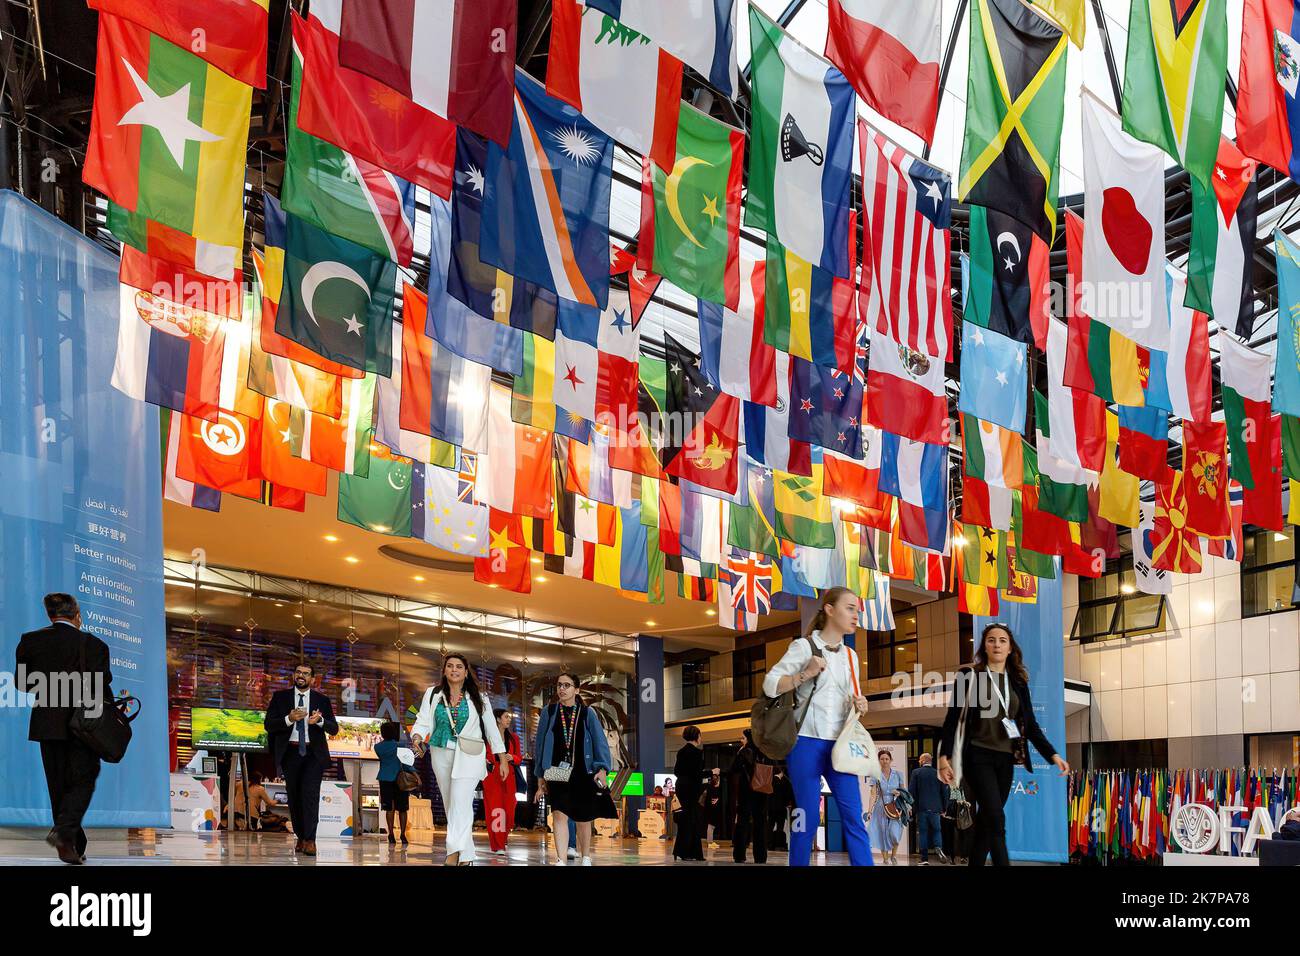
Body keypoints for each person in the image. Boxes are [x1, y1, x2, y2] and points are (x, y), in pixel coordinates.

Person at [938, 622, 1070, 867]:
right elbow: (952, 720)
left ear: (1010, 648)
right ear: (984, 646)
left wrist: (1052, 754)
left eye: (1002, 640)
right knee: (997, 819)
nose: (996, 644)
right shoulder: (969, 676)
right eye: (991, 640)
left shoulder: (1018, 681)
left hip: (1005, 758)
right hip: (977, 756)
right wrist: (944, 757)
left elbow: (1029, 725)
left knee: (988, 821)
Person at [762, 587, 872, 866]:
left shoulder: (850, 656)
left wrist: (859, 704)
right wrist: (804, 674)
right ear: (829, 609)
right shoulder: (803, 647)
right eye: (850, 608)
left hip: (841, 746)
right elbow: (770, 684)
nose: (855, 615)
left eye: (857, 609)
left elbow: (848, 697)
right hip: (805, 743)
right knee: (806, 819)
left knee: (854, 817)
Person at [16, 593, 113, 865]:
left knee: (58, 785)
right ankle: (64, 834)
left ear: (50, 614)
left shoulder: (30, 641)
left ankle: (72, 844)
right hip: (84, 724)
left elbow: (23, 684)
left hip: (47, 723)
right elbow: (100, 684)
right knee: (83, 779)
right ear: (77, 613)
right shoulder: (94, 645)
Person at [411, 653, 511, 866]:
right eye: (450, 666)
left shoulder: (479, 698)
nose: (454, 670)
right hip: (440, 753)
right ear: (444, 671)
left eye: (459, 667)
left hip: (470, 755)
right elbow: (423, 720)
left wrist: (501, 758)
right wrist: (418, 736)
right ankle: (466, 856)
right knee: (452, 805)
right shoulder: (433, 694)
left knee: (460, 802)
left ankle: (452, 854)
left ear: (466, 673)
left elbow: (492, 730)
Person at [534, 672, 612, 866]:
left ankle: (585, 856)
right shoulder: (549, 712)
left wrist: (602, 767)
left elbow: (599, 742)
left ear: (576, 690)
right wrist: (540, 776)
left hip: (582, 771)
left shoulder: (587, 713)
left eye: (567, 685)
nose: (562, 689)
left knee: (583, 817)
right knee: (559, 813)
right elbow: (540, 745)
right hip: (555, 770)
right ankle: (560, 859)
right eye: (560, 685)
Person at [264, 661, 339, 856]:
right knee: (295, 797)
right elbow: (269, 724)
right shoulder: (280, 698)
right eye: (298, 672)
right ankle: (300, 836)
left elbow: (334, 728)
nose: (301, 676)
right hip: (290, 753)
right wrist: (289, 719)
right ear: (293, 676)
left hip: (313, 754)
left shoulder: (321, 700)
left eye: (306, 673)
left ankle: (310, 840)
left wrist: (320, 721)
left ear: (312, 679)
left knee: (310, 797)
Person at [482, 707, 522, 855]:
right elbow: (483, 755)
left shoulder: (514, 738)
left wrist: (512, 757)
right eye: (506, 717)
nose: (509, 719)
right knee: (495, 810)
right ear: (498, 719)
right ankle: (498, 845)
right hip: (493, 776)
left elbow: (519, 757)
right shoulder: (487, 738)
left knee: (509, 811)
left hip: (509, 776)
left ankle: (503, 838)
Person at [729, 729, 769, 864]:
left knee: (742, 822)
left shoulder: (744, 751)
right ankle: (761, 857)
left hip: (747, 791)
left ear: (748, 739)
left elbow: (733, 769)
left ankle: (739, 855)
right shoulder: (764, 751)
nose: (741, 740)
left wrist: (739, 753)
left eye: (743, 738)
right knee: (760, 824)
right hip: (762, 791)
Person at [671, 725, 705, 861]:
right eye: (700, 735)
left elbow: (676, 772)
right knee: (693, 821)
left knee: (685, 821)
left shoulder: (681, 752)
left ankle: (681, 851)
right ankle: (691, 853)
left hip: (681, 788)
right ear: (696, 736)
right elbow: (697, 774)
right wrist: (711, 772)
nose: (701, 738)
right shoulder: (697, 753)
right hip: (691, 789)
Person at [866, 749, 906, 864]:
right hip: (881, 806)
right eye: (882, 759)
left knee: (895, 833)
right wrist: (869, 811)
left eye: (887, 759)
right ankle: (885, 859)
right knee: (882, 833)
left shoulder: (898, 774)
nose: (885, 761)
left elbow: (904, 792)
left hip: (895, 806)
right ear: (879, 760)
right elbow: (873, 794)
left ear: (891, 760)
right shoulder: (875, 775)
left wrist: (899, 793)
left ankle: (893, 856)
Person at [373, 721, 409, 846]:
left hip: (385, 779)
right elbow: (406, 763)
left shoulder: (377, 747)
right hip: (400, 779)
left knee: (390, 808)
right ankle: (403, 835)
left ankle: (391, 835)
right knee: (403, 809)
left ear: (382, 733)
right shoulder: (401, 745)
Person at [908, 753, 949, 865]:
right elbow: (944, 793)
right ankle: (938, 848)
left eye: (919, 760)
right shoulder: (938, 773)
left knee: (923, 833)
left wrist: (911, 807)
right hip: (936, 809)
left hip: (922, 808)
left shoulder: (916, 772)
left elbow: (911, 791)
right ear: (930, 761)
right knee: (937, 830)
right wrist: (944, 808)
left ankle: (924, 859)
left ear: (922, 761)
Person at [767, 767, 794, 851]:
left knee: (769, 826)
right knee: (780, 827)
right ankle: (778, 845)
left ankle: (768, 844)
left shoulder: (770, 780)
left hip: (771, 807)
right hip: (781, 808)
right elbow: (789, 795)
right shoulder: (785, 782)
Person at [704, 767, 724, 847]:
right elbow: (710, 799)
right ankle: (710, 842)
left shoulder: (714, 787)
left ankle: (710, 842)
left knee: (712, 825)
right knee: (711, 825)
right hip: (711, 808)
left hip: (713, 808)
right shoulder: (711, 787)